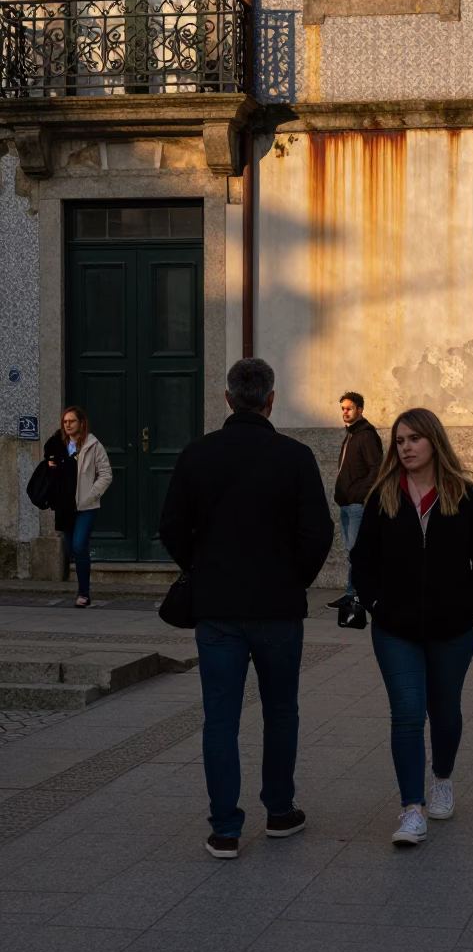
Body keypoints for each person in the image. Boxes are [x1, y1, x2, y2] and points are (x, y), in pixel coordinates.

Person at [160, 358, 335, 859]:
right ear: (271, 399)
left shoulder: (198, 454)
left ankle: (225, 828)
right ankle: (279, 811)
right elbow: (317, 532)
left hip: (217, 608)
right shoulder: (295, 457)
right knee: (281, 710)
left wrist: (202, 565)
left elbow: (171, 525)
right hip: (278, 608)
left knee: (220, 717)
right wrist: (292, 578)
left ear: (228, 399)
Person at [351, 408, 473, 846]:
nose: (406, 448)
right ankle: (411, 809)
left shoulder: (467, 497)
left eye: (414, 439)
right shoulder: (383, 497)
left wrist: (469, 607)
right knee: (408, 713)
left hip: (452, 629)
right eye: (400, 441)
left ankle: (443, 779)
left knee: (445, 710)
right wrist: (377, 603)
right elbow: (362, 561)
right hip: (394, 630)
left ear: (434, 441)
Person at [43, 406, 112, 608]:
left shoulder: (93, 445)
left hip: (86, 506)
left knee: (79, 545)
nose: (68, 425)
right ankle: (81, 584)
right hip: (65, 506)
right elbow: (49, 461)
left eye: (71, 421)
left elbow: (106, 474)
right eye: (65, 422)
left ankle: (84, 594)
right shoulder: (59, 445)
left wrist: (91, 495)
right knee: (69, 547)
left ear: (81, 423)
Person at [328, 391, 384, 611]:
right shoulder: (351, 434)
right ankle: (354, 592)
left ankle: (358, 594)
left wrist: (361, 494)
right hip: (346, 503)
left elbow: (376, 468)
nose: (345, 412)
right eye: (342, 408)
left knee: (357, 551)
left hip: (357, 504)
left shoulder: (366, 435)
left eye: (349, 408)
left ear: (360, 409)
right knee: (352, 552)